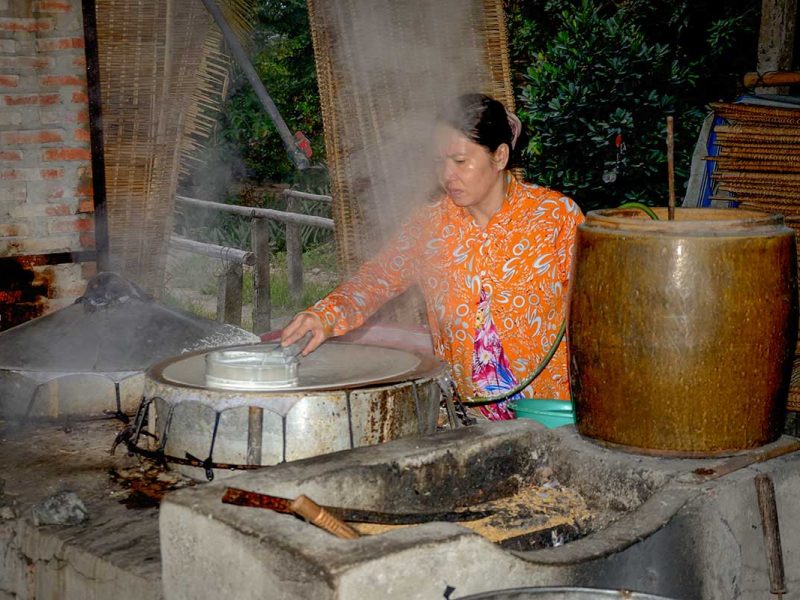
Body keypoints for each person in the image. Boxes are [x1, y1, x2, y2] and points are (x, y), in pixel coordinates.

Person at [281, 93, 585, 420]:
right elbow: (374, 281)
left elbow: (595, 309)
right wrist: (326, 315)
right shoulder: (429, 227)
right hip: (469, 418)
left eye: (459, 161)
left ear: (499, 157)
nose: (446, 175)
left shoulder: (555, 217)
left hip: (551, 415)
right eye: (439, 161)